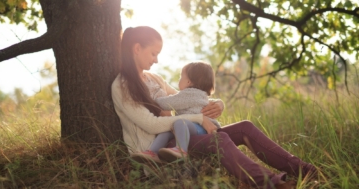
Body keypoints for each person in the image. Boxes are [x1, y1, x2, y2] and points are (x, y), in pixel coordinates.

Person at [111, 26, 317, 189]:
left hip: (183, 135)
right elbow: (152, 124)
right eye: (153, 53)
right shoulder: (122, 86)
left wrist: (218, 103)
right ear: (137, 48)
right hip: (161, 147)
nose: (156, 60)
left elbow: (187, 96)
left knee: (245, 126)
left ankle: (306, 171)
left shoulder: (154, 78)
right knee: (220, 139)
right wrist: (200, 119)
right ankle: (272, 183)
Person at [131, 62, 221, 163]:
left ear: (188, 82)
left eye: (181, 76)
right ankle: (153, 152)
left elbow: (168, 103)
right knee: (166, 129)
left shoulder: (189, 94)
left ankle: (181, 150)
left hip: (201, 127)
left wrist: (155, 99)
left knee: (180, 122)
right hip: (194, 127)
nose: (179, 79)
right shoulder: (199, 94)